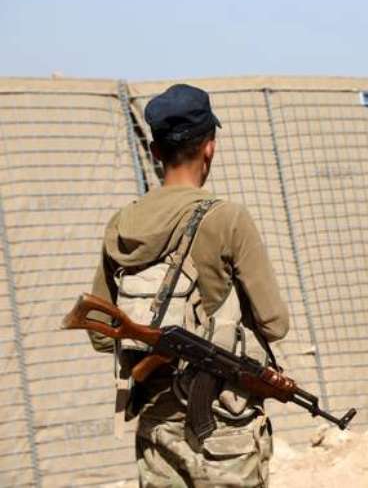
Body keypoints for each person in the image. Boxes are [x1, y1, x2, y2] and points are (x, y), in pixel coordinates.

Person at [87, 84, 290, 487]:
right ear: (210, 146)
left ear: (155, 152)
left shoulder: (122, 224)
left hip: (157, 427)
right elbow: (274, 324)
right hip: (224, 428)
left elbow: (98, 331)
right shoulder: (227, 219)